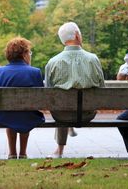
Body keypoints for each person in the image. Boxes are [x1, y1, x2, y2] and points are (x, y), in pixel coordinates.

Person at [45, 22, 105, 158]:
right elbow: (102, 89)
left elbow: (48, 94)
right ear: (77, 35)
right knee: (64, 106)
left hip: (62, 115)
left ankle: (59, 150)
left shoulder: (52, 62)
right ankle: (60, 147)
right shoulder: (93, 59)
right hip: (87, 114)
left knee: (61, 107)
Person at [0, 37, 45, 159]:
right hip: (28, 115)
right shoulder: (35, 72)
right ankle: (23, 153)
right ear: (24, 54)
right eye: (29, 52)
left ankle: (12, 153)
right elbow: (40, 100)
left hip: (4, 115)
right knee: (25, 112)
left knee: (11, 114)